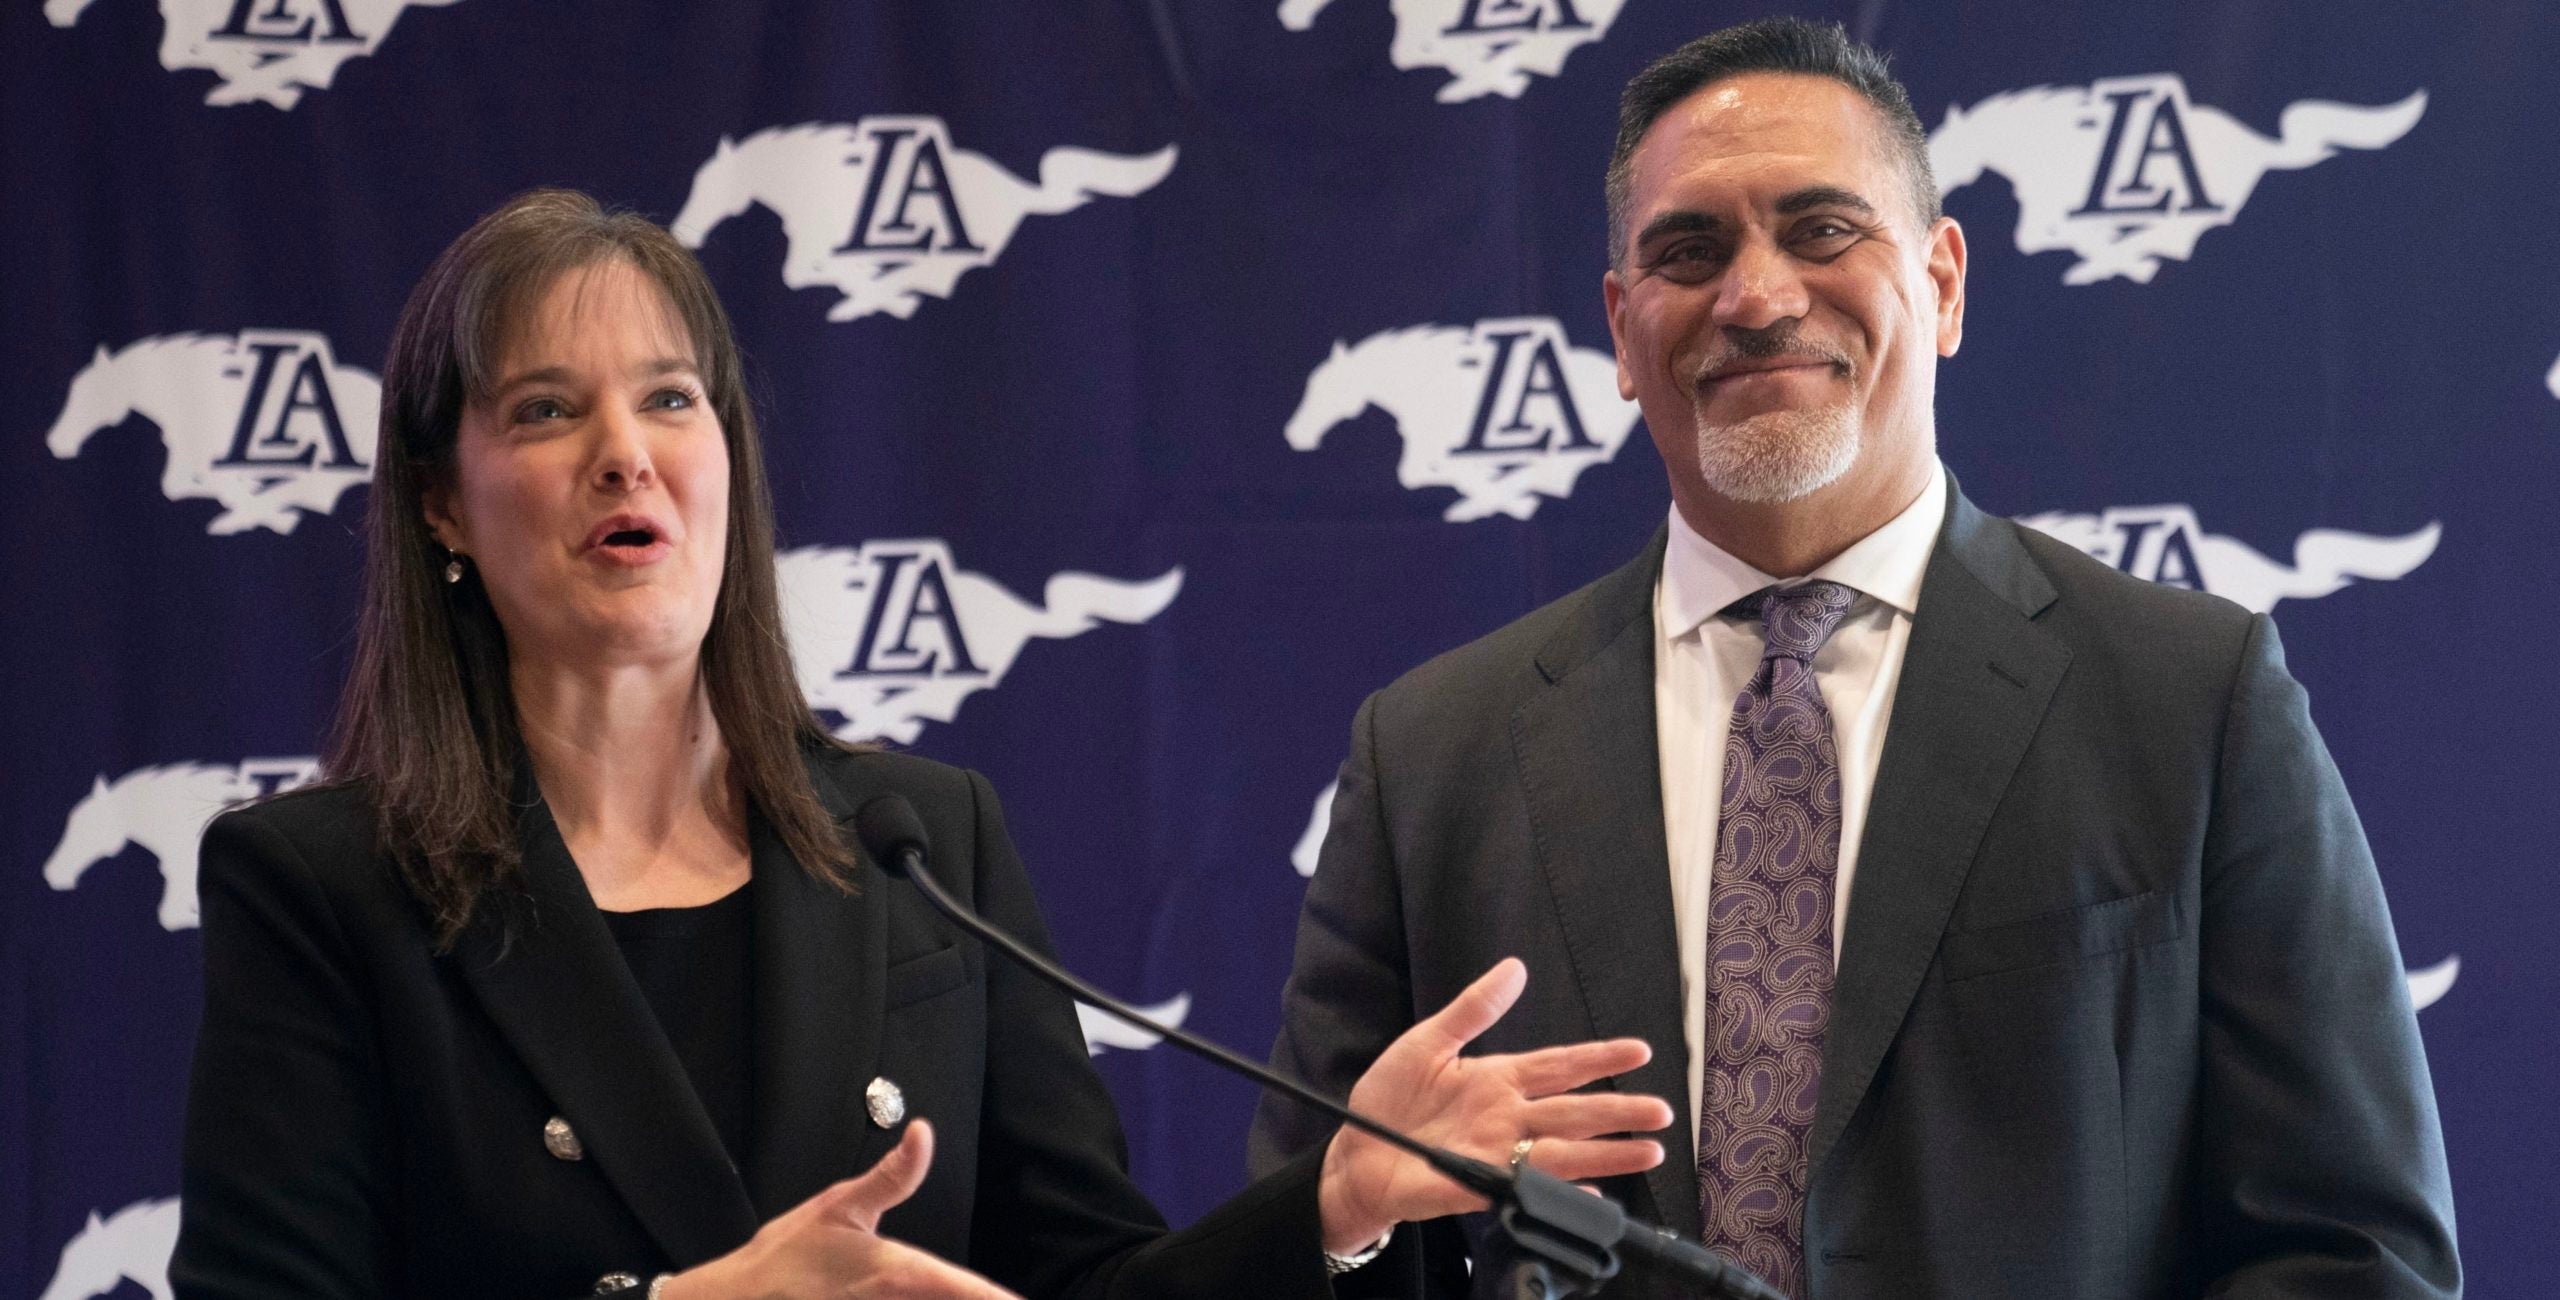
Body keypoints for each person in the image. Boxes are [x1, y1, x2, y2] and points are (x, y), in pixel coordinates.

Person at [170, 189, 1676, 1299]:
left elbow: (1083, 1288)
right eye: (548, 410)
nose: (625, 452)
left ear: (730, 463)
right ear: (442, 503)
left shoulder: (919, 843)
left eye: (671, 399)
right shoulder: (320, 889)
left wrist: (1332, 1202)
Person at [1252, 18, 2460, 1299]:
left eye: (1822, 229)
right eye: (1687, 249)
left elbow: (2353, 1252)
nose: (1758, 295)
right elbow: (1314, 1234)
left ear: (1941, 283)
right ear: (1619, 326)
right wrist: (1338, 1218)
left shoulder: (2189, 703)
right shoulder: (1434, 754)